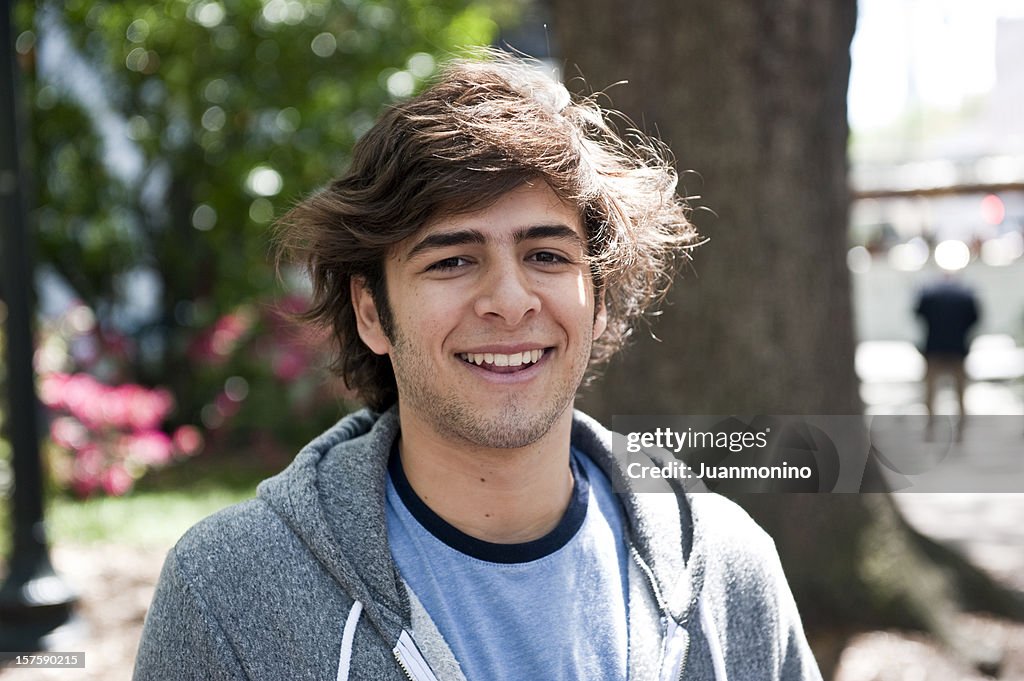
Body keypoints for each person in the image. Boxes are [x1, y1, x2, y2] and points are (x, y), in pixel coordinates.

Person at [134, 52, 821, 681]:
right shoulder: (227, 592)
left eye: (547, 255)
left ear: (599, 297)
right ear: (371, 310)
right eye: (453, 259)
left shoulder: (728, 569)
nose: (510, 301)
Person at [915, 274, 980, 434]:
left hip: (935, 348)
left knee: (931, 390)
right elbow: (975, 318)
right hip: (956, 347)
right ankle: (960, 425)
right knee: (959, 390)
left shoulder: (930, 295)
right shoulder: (964, 296)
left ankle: (931, 424)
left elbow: (919, 314)